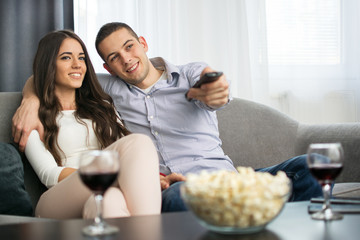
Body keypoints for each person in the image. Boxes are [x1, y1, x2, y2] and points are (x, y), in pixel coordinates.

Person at [13, 23, 322, 212]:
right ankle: (258, 212)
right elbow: (58, 75)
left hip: (227, 180)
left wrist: (215, 89)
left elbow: (211, 82)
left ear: (143, 44)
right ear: (107, 68)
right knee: (179, 198)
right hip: (175, 189)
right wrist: (30, 98)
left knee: (309, 168)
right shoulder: (109, 90)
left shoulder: (186, 76)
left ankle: (272, 220)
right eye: (113, 58)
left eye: (130, 47)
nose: (126, 60)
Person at [21, 29, 161, 219]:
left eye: (81, 58)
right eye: (66, 58)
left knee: (110, 201)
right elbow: (49, 174)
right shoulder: (31, 115)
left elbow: (126, 157)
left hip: (104, 187)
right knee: (139, 142)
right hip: (56, 201)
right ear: (48, 64)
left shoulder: (103, 106)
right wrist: (113, 177)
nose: (77, 65)